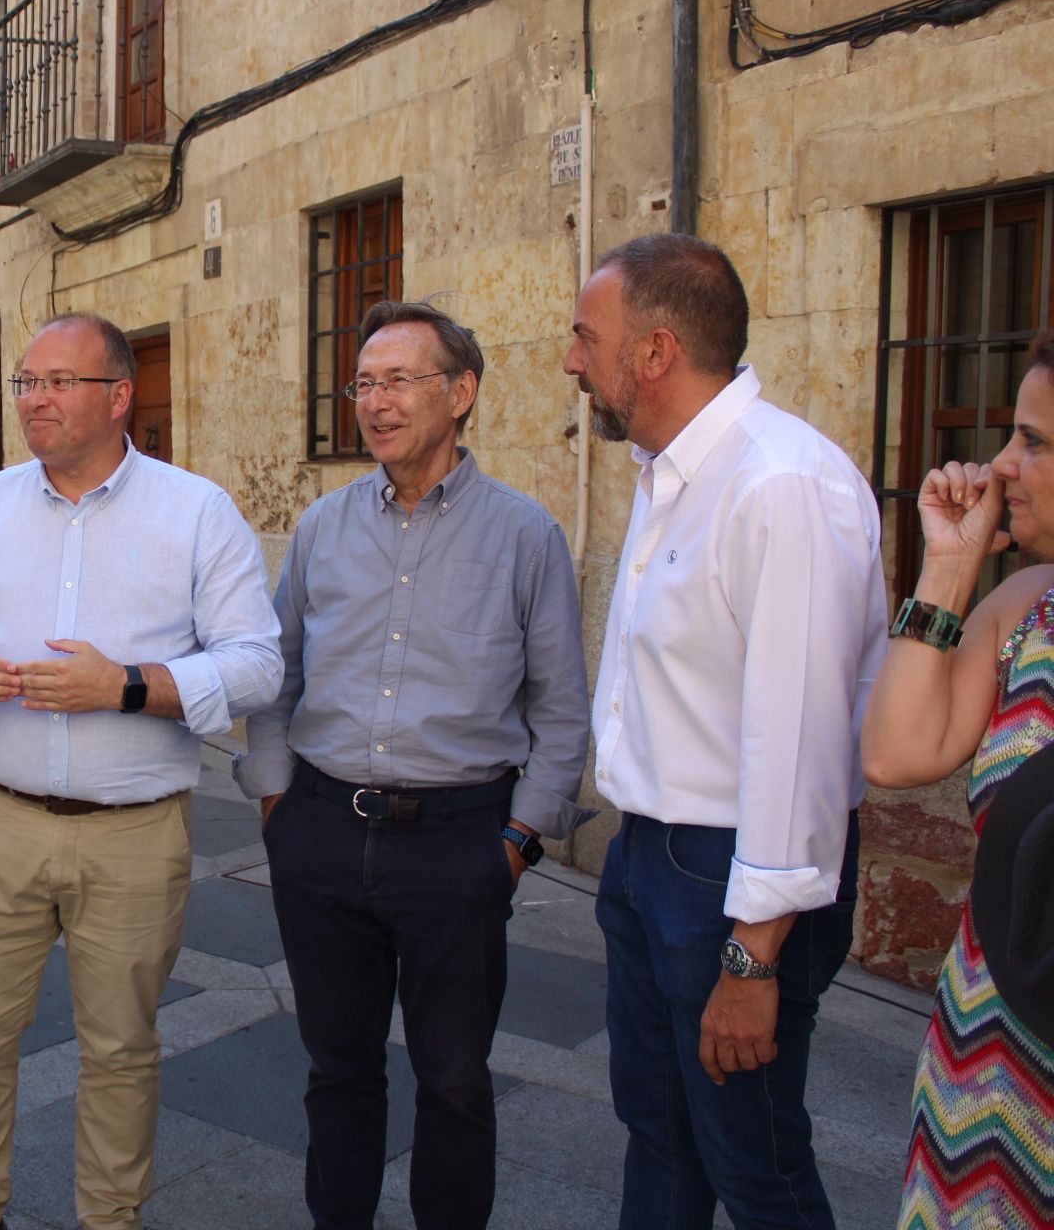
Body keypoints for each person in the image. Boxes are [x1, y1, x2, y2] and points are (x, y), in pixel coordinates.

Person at [0, 312, 283, 1230]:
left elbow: (258, 665)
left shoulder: (196, 513)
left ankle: (111, 1217)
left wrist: (130, 686)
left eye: (60, 381)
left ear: (119, 397)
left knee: (120, 1047)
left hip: (135, 831)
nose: (35, 399)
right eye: (26, 382)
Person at [236, 299, 589, 1230]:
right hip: (319, 831)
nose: (375, 403)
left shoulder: (526, 536)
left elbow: (561, 707)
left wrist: (519, 838)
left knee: (457, 1082)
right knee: (337, 1071)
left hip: (460, 845)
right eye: (363, 383)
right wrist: (275, 796)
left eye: (399, 380)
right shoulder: (321, 528)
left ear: (460, 392)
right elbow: (277, 674)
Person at [564, 232, 886, 1229]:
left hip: (735, 883)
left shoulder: (779, 484)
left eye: (587, 336)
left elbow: (800, 742)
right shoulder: (674, 475)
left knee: (754, 1162)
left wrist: (752, 959)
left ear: (655, 352)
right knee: (659, 1132)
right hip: (651, 857)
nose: (572, 359)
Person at [859, 328, 1054, 1230]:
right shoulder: (1026, 609)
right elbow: (896, 754)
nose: (1004, 464)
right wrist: (948, 563)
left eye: (1037, 441)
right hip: (984, 1064)